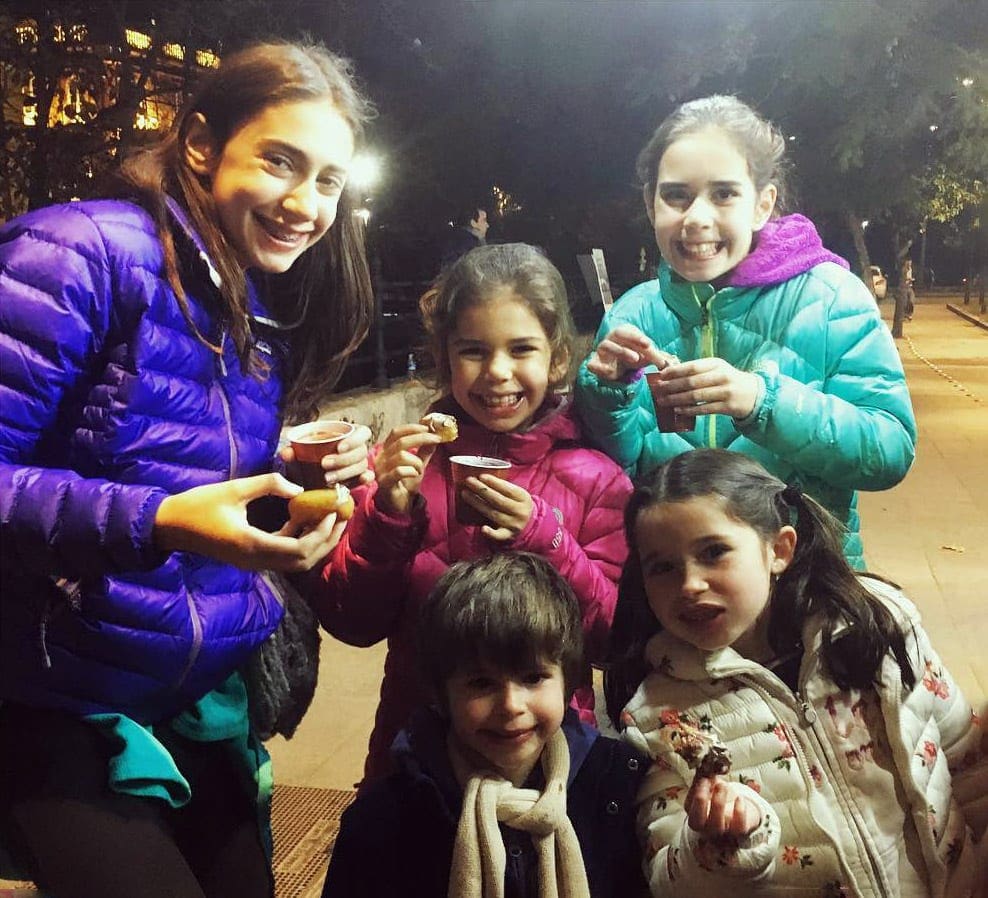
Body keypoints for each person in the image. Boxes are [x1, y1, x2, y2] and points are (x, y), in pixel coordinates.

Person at [0, 40, 376, 898]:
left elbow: (152, 453)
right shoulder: (80, 252)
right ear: (202, 145)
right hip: (53, 701)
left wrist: (283, 467)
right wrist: (158, 521)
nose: (305, 203)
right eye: (280, 161)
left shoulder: (245, 301)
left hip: (195, 701)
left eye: (328, 180)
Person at [306, 242, 633, 785]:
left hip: (550, 766)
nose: (498, 372)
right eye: (475, 351)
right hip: (415, 760)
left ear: (555, 358)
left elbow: (611, 643)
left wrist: (547, 539)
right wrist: (388, 513)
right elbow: (353, 622)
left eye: (522, 349)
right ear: (445, 358)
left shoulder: (596, 478)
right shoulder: (403, 468)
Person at [604, 448, 988, 898]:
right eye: (663, 567)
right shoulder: (657, 716)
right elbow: (670, 879)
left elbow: (967, 767)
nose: (689, 584)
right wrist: (718, 845)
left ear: (779, 550)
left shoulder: (877, 629)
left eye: (713, 552)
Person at [574, 95, 916, 569]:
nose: (696, 217)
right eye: (676, 195)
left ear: (762, 204)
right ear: (651, 204)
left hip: (807, 589)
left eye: (723, 193)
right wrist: (607, 396)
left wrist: (762, 400)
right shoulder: (631, 316)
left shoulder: (833, 299)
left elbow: (889, 449)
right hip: (678, 595)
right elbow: (613, 472)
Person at [322, 553, 649, 898]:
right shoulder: (383, 819)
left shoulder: (618, 785)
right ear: (441, 693)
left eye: (533, 677)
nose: (510, 705)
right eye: (481, 684)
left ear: (568, 680)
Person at [439, 203, 490, 270]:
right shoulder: (471, 245)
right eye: (484, 220)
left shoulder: (456, 239)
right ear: (473, 223)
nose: (487, 225)